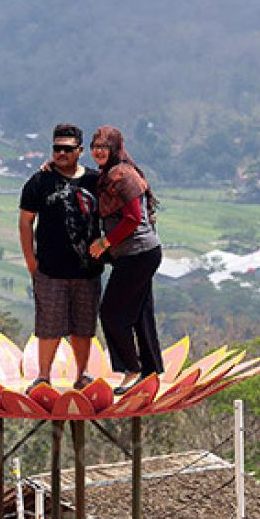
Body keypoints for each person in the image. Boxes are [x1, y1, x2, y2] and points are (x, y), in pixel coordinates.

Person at [18, 123, 103, 392]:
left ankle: (83, 374)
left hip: (87, 269)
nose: (61, 154)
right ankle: (43, 377)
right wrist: (31, 261)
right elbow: (25, 222)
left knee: (84, 326)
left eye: (67, 149)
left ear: (80, 151)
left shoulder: (94, 181)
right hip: (50, 270)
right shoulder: (39, 182)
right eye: (57, 148)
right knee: (48, 325)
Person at [88, 125, 163, 395]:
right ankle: (151, 370)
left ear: (115, 149)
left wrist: (104, 243)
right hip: (137, 254)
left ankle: (132, 369)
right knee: (141, 312)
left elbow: (132, 218)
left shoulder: (123, 176)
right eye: (95, 145)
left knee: (112, 314)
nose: (98, 150)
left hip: (138, 253)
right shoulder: (107, 175)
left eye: (104, 146)